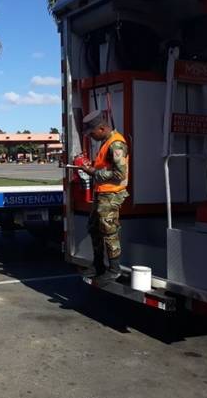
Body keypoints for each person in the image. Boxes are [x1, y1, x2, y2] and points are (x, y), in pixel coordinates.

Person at [78, 110, 129, 283]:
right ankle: (98, 264)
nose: (91, 137)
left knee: (109, 230)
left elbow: (120, 173)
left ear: (101, 128)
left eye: (92, 133)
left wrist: (94, 172)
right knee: (94, 227)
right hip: (102, 193)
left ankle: (114, 269)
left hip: (112, 194)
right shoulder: (106, 142)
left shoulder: (116, 144)